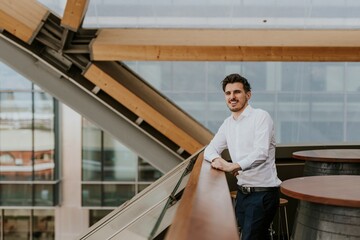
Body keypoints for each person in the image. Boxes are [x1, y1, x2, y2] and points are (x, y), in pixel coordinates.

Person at [204, 73, 281, 240]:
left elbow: (261, 153)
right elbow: (209, 150)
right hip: (242, 193)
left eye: (237, 92)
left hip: (263, 193)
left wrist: (233, 166)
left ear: (248, 95)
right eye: (228, 93)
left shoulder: (261, 117)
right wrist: (219, 161)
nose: (232, 97)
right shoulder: (228, 123)